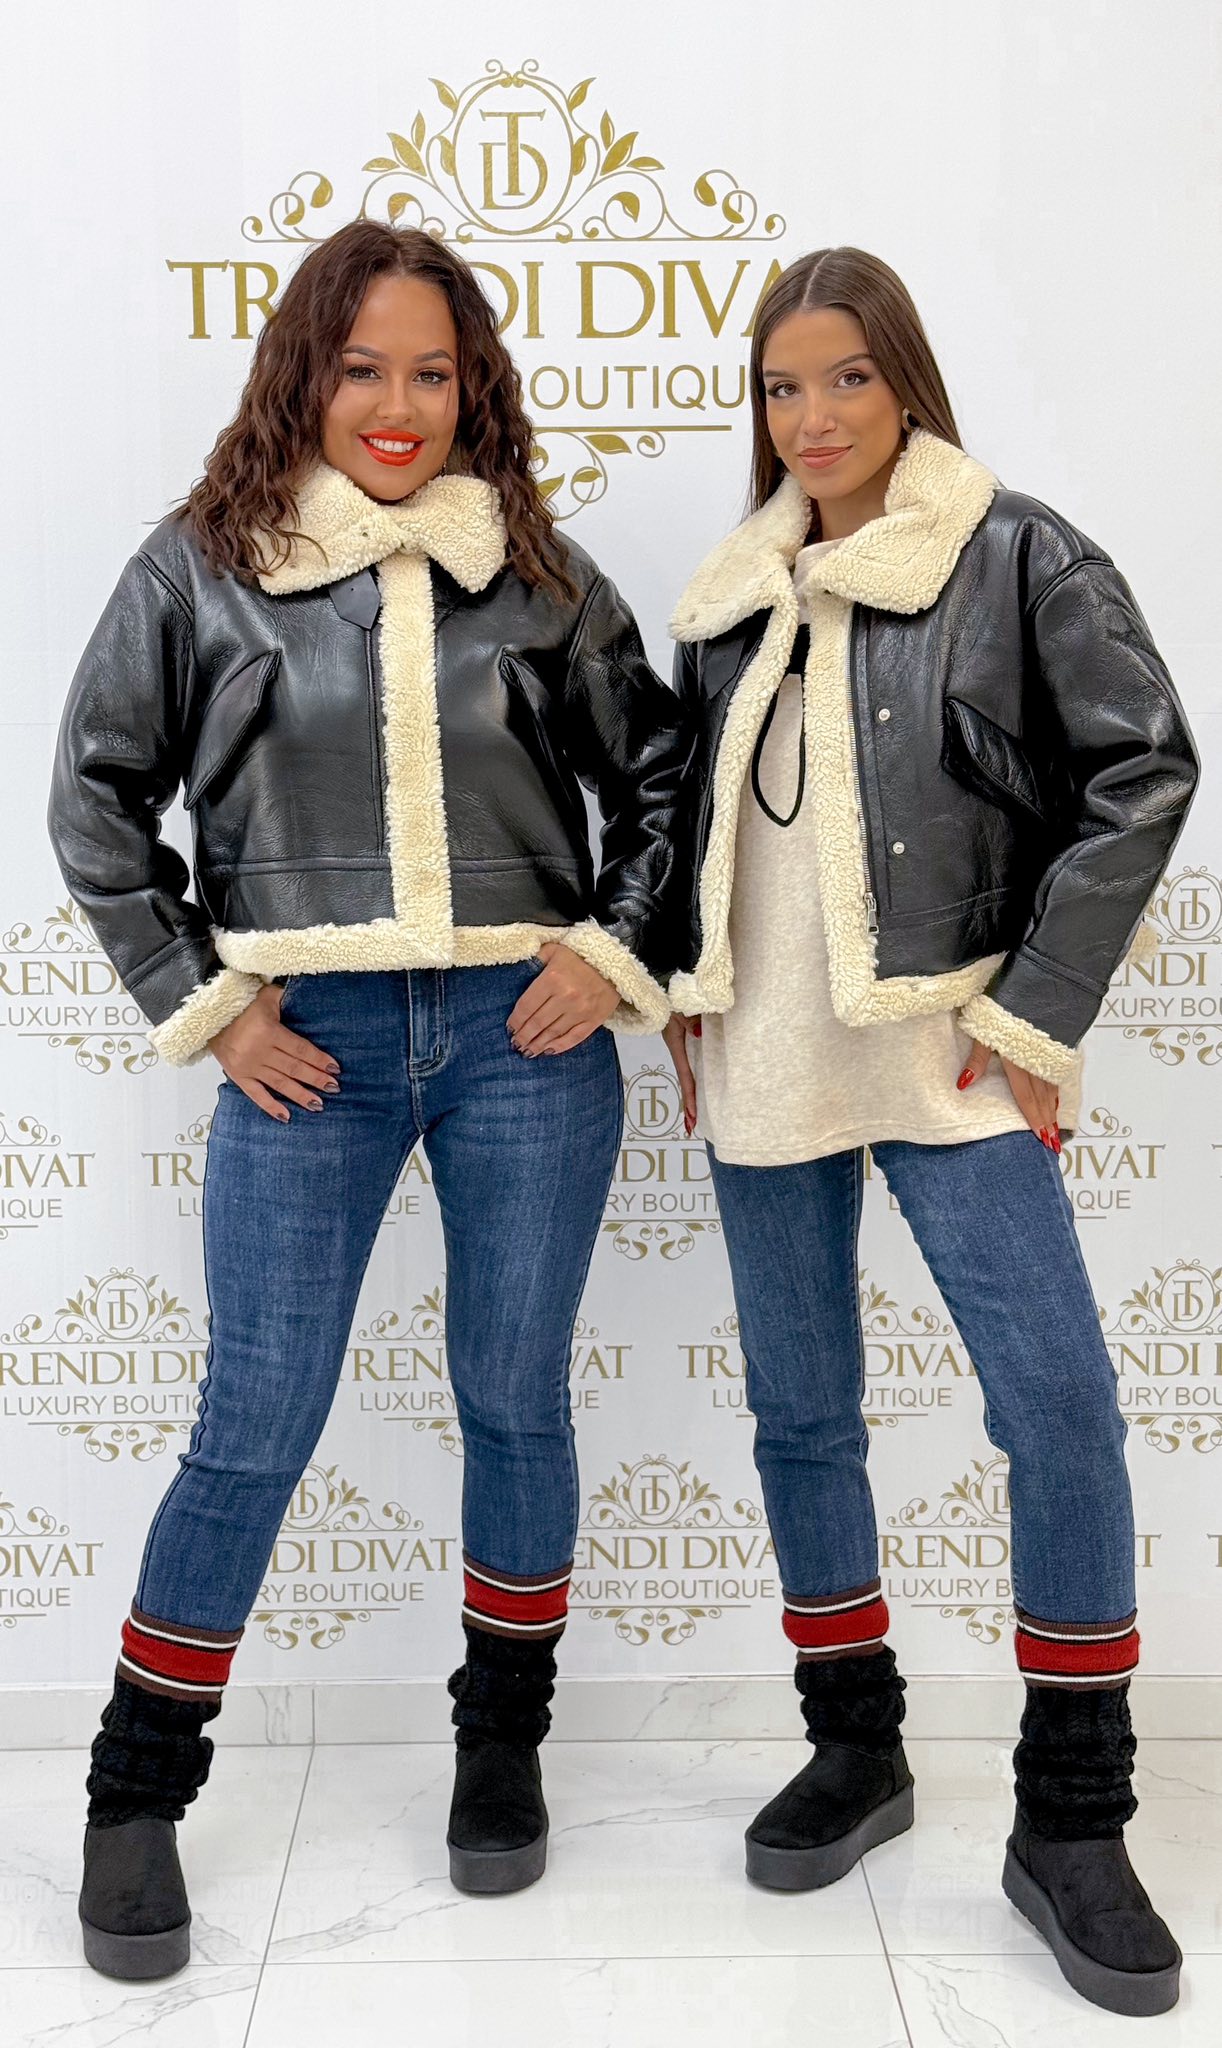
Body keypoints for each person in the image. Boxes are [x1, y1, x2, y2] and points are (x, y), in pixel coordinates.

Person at [49, 218, 688, 1979]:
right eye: (359, 369)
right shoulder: (199, 568)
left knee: (513, 1400)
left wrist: (611, 952)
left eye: (431, 372)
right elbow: (96, 799)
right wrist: (209, 1003)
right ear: (302, 377)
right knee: (254, 1415)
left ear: (471, 388)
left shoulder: (532, 571)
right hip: (303, 1048)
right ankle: (135, 1794)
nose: (397, 406)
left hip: (519, 1035)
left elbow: (663, 778)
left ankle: (501, 1746)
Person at [663, 246, 1198, 2018]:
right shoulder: (732, 593)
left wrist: (1034, 1009)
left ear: (906, 383)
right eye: (780, 387)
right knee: (801, 1413)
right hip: (763, 1054)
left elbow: (1141, 771)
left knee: (1058, 1409)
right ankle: (855, 1747)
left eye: (847, 379)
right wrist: (681, 991)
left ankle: (1071, 1817)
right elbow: (688, 822)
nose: (811, 418)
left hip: (950, 1053)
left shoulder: (1014, 552)